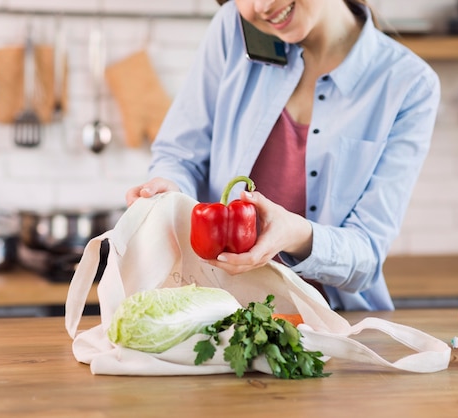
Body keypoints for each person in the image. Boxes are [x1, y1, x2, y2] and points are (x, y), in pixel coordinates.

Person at [125, 0, 440, 311]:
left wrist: (297, 235)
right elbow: (180, 156)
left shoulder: (409, 84)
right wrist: (170, 187)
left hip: (330, 323)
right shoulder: (234, 29)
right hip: (215, 310)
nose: (261, 6)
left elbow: (366, 256)